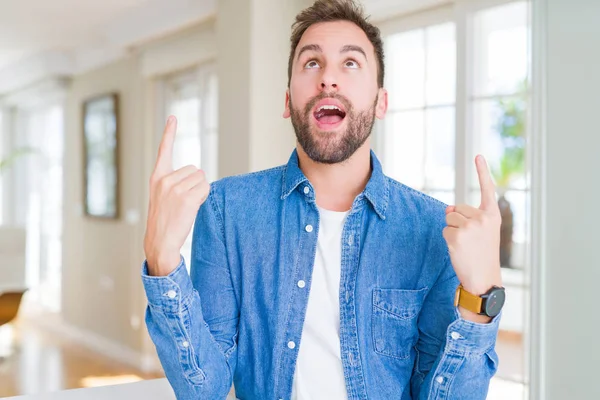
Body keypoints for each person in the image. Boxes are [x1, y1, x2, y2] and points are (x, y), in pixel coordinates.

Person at [141, 0, 505, 399]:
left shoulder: (434, 229)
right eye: (311, 63)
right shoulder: (226, 210)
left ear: (381, 102)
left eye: (351, 63)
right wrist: (162, 262)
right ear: (287, 101)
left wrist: (482, 294)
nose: (328, 78)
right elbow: (203, 390)